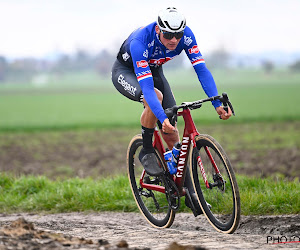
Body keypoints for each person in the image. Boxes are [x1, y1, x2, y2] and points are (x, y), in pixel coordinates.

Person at [111, 7, 231, 176]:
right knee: (155, 98)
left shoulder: (187, 36)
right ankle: (146, 150)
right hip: (126, 72)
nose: (174, 40)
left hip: (154, 70)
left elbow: (201, 70)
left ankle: (187, 189)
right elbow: (147, 87)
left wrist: (216, 103)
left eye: (178, 35)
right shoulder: (141, 41)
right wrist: (161, 117)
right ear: (158, 29)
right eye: (168, 35)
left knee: (172, 133)